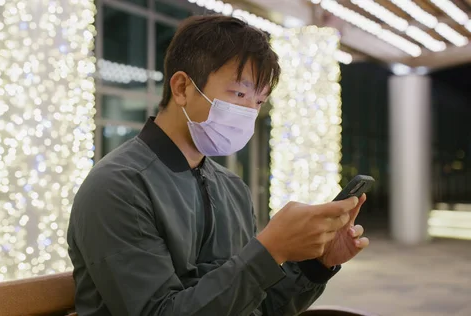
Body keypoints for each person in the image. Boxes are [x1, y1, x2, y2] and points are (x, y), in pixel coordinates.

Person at [67, 15, 369, 316]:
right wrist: (269, 250)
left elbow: (256, 307)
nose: (249, 112)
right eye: (239, 94)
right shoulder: (119, 187)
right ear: (183, 87)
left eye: (259, 101)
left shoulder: (231, 188)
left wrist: (316, 265)